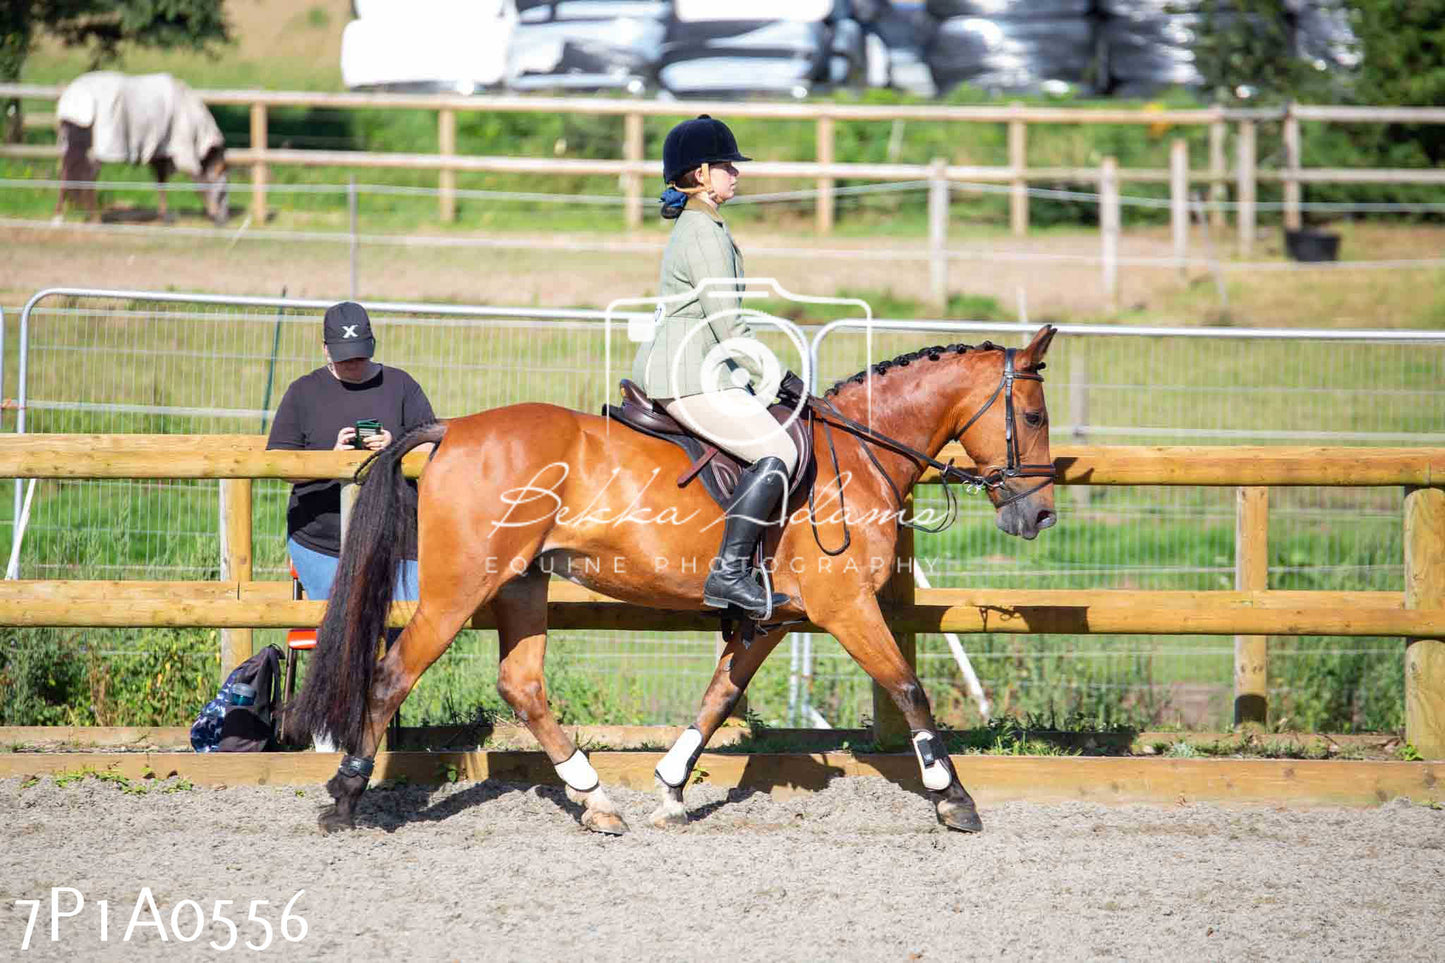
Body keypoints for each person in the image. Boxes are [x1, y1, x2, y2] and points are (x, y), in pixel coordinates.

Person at [631, 114, 799, 618]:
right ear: (701, 173)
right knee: (779, 450)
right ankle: (728, 573)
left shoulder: (703, 224)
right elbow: (726, 323)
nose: (736, 173)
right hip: (686, 375)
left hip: (699, 367)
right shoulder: (703, 231)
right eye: (728, 165)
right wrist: (778, 377)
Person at [266, 301, 435, 601]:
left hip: (400, 539)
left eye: (359, 356)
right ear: (326, 350)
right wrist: (330, 460)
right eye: (345, 357)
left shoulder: (402, 386)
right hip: (322, 541)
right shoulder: (302, 392)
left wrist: (396, 446)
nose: (353, 364)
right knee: (345, 624)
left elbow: (432, 449)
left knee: (405, 629)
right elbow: (280, 464)